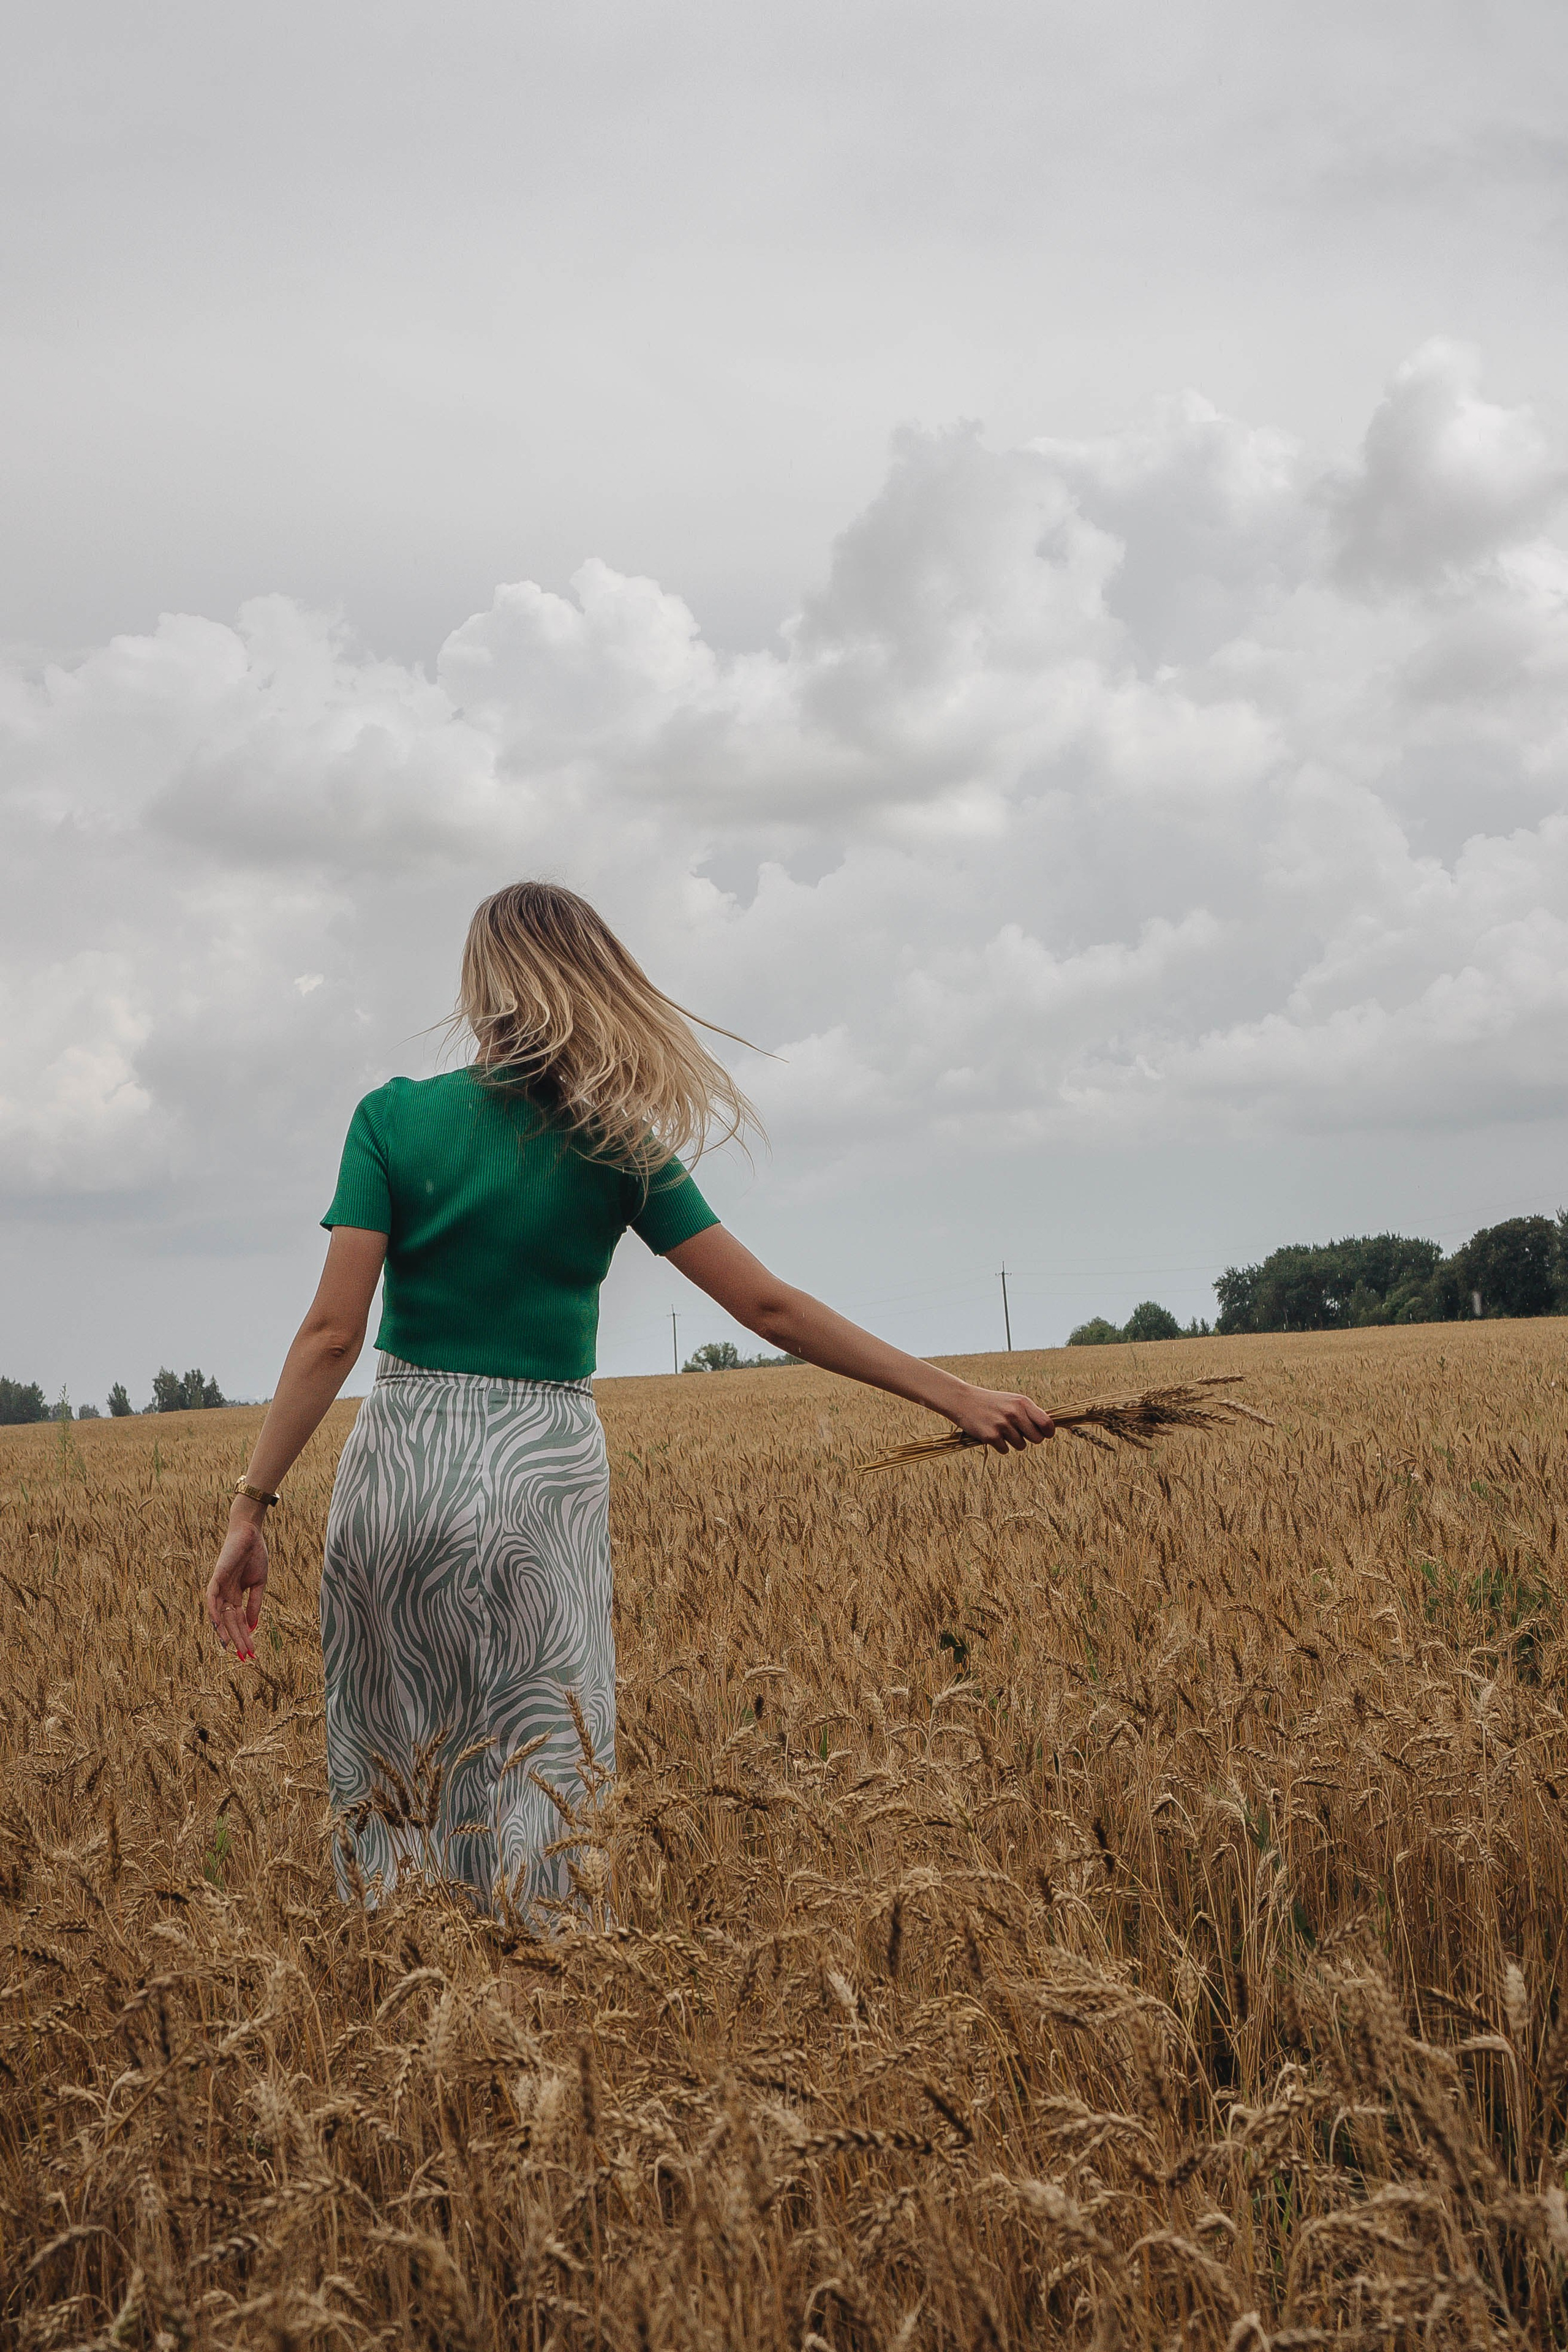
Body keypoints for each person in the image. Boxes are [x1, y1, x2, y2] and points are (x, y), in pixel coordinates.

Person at [205, 881, 1054, 1916]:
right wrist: (953, 1394)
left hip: (401, 1471)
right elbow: (771, 1309)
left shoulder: (390, 1119)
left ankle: (406, 2010)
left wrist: (253, 1505)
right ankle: (541, 2007)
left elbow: (333, 1334)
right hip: (540, 1477)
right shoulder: (620, 1144)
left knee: (393, 1776)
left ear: (481, 987)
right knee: (542, 1776)